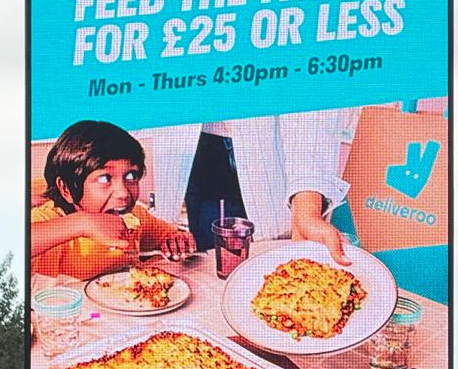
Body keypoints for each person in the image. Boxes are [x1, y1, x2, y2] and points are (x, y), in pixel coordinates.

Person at [142, 110, 359, 265]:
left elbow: (309, 99)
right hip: (191, 151)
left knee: (274, 267)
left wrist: (307, 210)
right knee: (208, 270)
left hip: (268, 158)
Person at [30, 119, 195, 279]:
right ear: (66, 189)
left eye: (131, 176)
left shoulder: (136, 217)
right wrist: (81, 223)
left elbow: (168, 236)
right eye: (105, 178)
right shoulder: (48, 219)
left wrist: (175, 241)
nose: (123, 193)